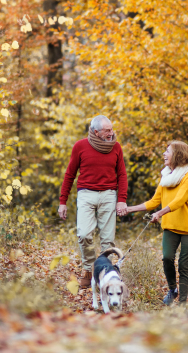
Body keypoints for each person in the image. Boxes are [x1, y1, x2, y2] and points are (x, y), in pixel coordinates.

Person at [123, 141, 188, 306]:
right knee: (167, 258)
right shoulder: (166, 177)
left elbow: (179, 200)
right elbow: (154, 202)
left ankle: (182, 303)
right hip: (171, 226)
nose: (164, 155)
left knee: (183, 264)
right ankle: (173, 289)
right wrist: (129, 209)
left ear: (178, 155)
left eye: (168, 151)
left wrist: (159, 213)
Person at [58, 115, 128, 288]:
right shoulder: (80, 146)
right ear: (96, 132)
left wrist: (121, 200)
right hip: (86, 194)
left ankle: (105, 273)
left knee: (107, 240)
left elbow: (122, 175)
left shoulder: (116, 147)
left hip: (108, 195)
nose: (111, 133)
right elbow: (70, 174)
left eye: (112, 129)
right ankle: (88, 269)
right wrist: (62, 201)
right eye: (107, 130)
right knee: (84, 234)